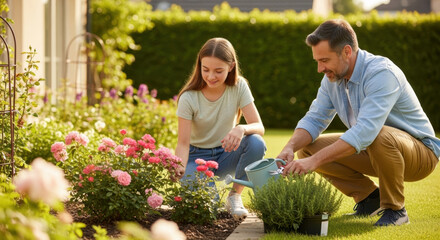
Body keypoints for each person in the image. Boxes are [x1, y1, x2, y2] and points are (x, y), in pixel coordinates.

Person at [277, 19, 439, 227]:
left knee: (377, 135)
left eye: (324, 60)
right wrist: (290, 147)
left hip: (420, 154)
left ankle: (395, 210)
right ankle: (369, 199)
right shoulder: (331, 79)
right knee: (307, 149)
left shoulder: (381, 73)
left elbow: (365, 132)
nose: (319, 68)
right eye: (317, 61)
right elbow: (314, 118)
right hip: (375, 149)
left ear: (346, 51)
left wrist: (315, 162)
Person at [174, 37, 266, 219]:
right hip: (196, 159)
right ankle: (209, 191)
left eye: (218, 71)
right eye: (205, 69)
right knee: (210, 207)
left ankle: (234, 196)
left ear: (231, 67)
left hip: (226, 154)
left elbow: (259, 127)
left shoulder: (239, 86)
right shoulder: (188, 98)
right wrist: (179, 167)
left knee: (256, 142)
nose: (211, 76)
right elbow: (183, 143)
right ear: (199, 65)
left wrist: (241, 129)